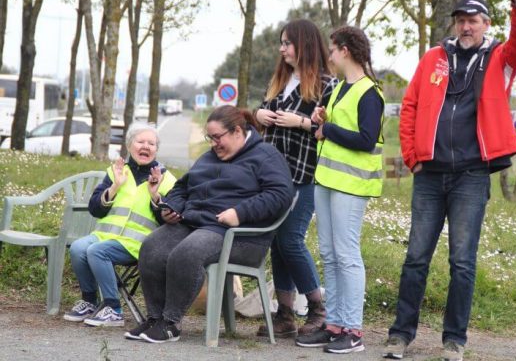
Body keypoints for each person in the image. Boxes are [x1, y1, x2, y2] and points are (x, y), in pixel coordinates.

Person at [383, 0, 516, 361]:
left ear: (486, 24)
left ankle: (454, 341)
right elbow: (410, 106)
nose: (466, 26)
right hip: (430, 175)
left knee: (462, 261)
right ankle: (400, 336)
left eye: (474, 20)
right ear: (454, 24)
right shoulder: (433, 58)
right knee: (416, 256)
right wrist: (413, 156)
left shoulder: (500, 59)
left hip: (471, 175)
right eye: (461, 20)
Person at [126, 105, 294, 344]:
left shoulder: (266, 155)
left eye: (217, 137)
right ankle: (155, 318)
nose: (213, 143)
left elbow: (280, 194)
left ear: (237, 131)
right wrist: (172, 208)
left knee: (188, 252)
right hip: (196, 223)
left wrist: (240, 212)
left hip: (240, 236)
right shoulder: (209, 157)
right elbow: (182, 188)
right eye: (210, 138)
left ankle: (171, 322)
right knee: (152, 246)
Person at [295, 26, 384, 354]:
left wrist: (327, 129)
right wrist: (322, 117)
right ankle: (334, 325)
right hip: (328, 182)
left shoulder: (369, 92)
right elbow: (330, 127)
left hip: (351, 185)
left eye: (332, 50)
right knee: (331, 256)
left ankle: (353, 331)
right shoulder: (337, 89)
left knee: (347, 255)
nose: (329, 56)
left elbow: (365, 138)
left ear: (345, 50)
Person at [254, 19, 337, 338]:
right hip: (273, 176)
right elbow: (263, 111)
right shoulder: (281, 80)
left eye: (287, 42)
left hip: (305, 174)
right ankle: (284, 313)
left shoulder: (327, 85)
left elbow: (329, 131)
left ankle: (317, 309)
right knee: (278, 241)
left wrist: (300, 122)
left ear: (304, 45)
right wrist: (259, 115)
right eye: (281, 42)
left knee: (291, 239)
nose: (282, 48)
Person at [63, 122, 177, 327]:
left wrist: (155, 196)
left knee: (97, 251)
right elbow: (95, 209)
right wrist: (115, 186)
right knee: (78, 247)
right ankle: (90, 301)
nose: (146, 146)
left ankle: (113, 308)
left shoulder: (166, 179)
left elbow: (168, 220)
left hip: (139, 243)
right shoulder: (116, 171)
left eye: (151, 143)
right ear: (129, 145)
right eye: (140, 141)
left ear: (156, 150)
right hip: (106, 236)